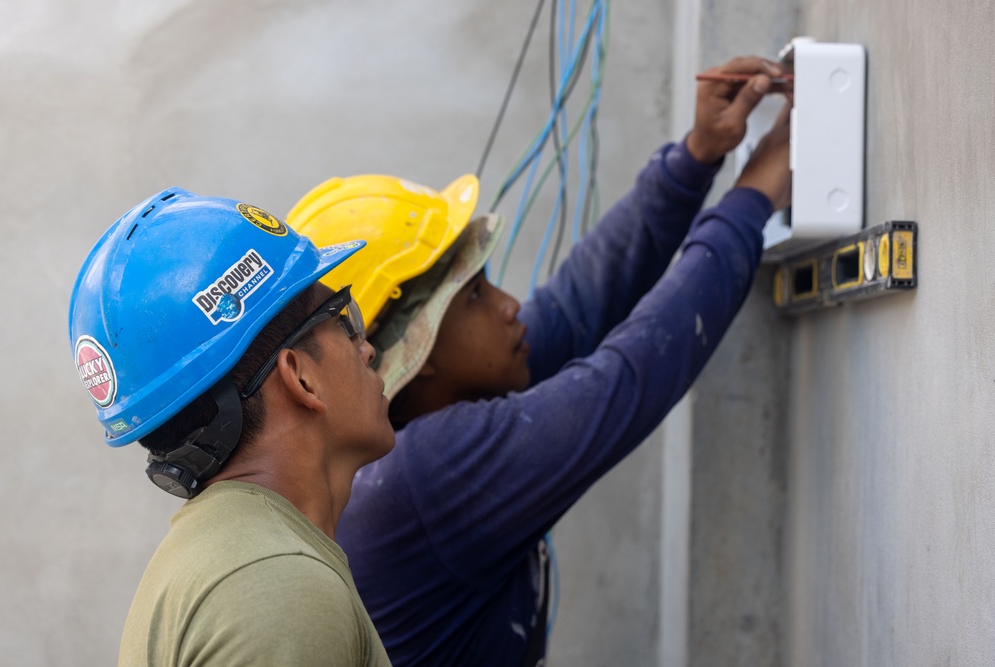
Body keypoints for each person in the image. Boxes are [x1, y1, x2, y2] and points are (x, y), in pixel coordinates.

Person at [286, 56, 792, 667]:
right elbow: (629, 378)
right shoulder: (427, 476)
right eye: (475, 295)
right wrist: (756, 191)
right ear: (418, 353)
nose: (509, 306)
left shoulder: (405, 441)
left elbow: (579, 305)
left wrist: (696, 158)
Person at [68, 189, 395, 666]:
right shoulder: (280, 588)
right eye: (342, 319)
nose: (365, 348)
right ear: (299, 375)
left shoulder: (219, 558)